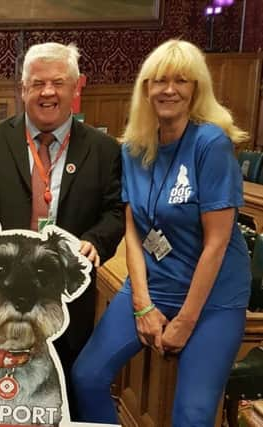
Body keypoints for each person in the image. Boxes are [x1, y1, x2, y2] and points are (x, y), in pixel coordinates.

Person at [71, 39, 251, 426]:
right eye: (159, 81)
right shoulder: (133, 148)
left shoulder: (211, 144)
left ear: (196, 89)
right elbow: (134, 230)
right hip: (157, 285)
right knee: (87, 376)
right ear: (145, 89)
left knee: (193, 414)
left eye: (181, 81)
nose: (169, 90)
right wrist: (142, 303)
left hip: (213, 296)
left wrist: (185, 321)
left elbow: (217, 243)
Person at [0, 41, 125, 416]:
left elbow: (115, 211)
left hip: (63, 297)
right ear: (23, 89)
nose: (47, 92)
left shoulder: (103, 150)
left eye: (57, 82)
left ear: (75, 87)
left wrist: (95, 241)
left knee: (61, 388)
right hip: (0, 298)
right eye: (37, 83)